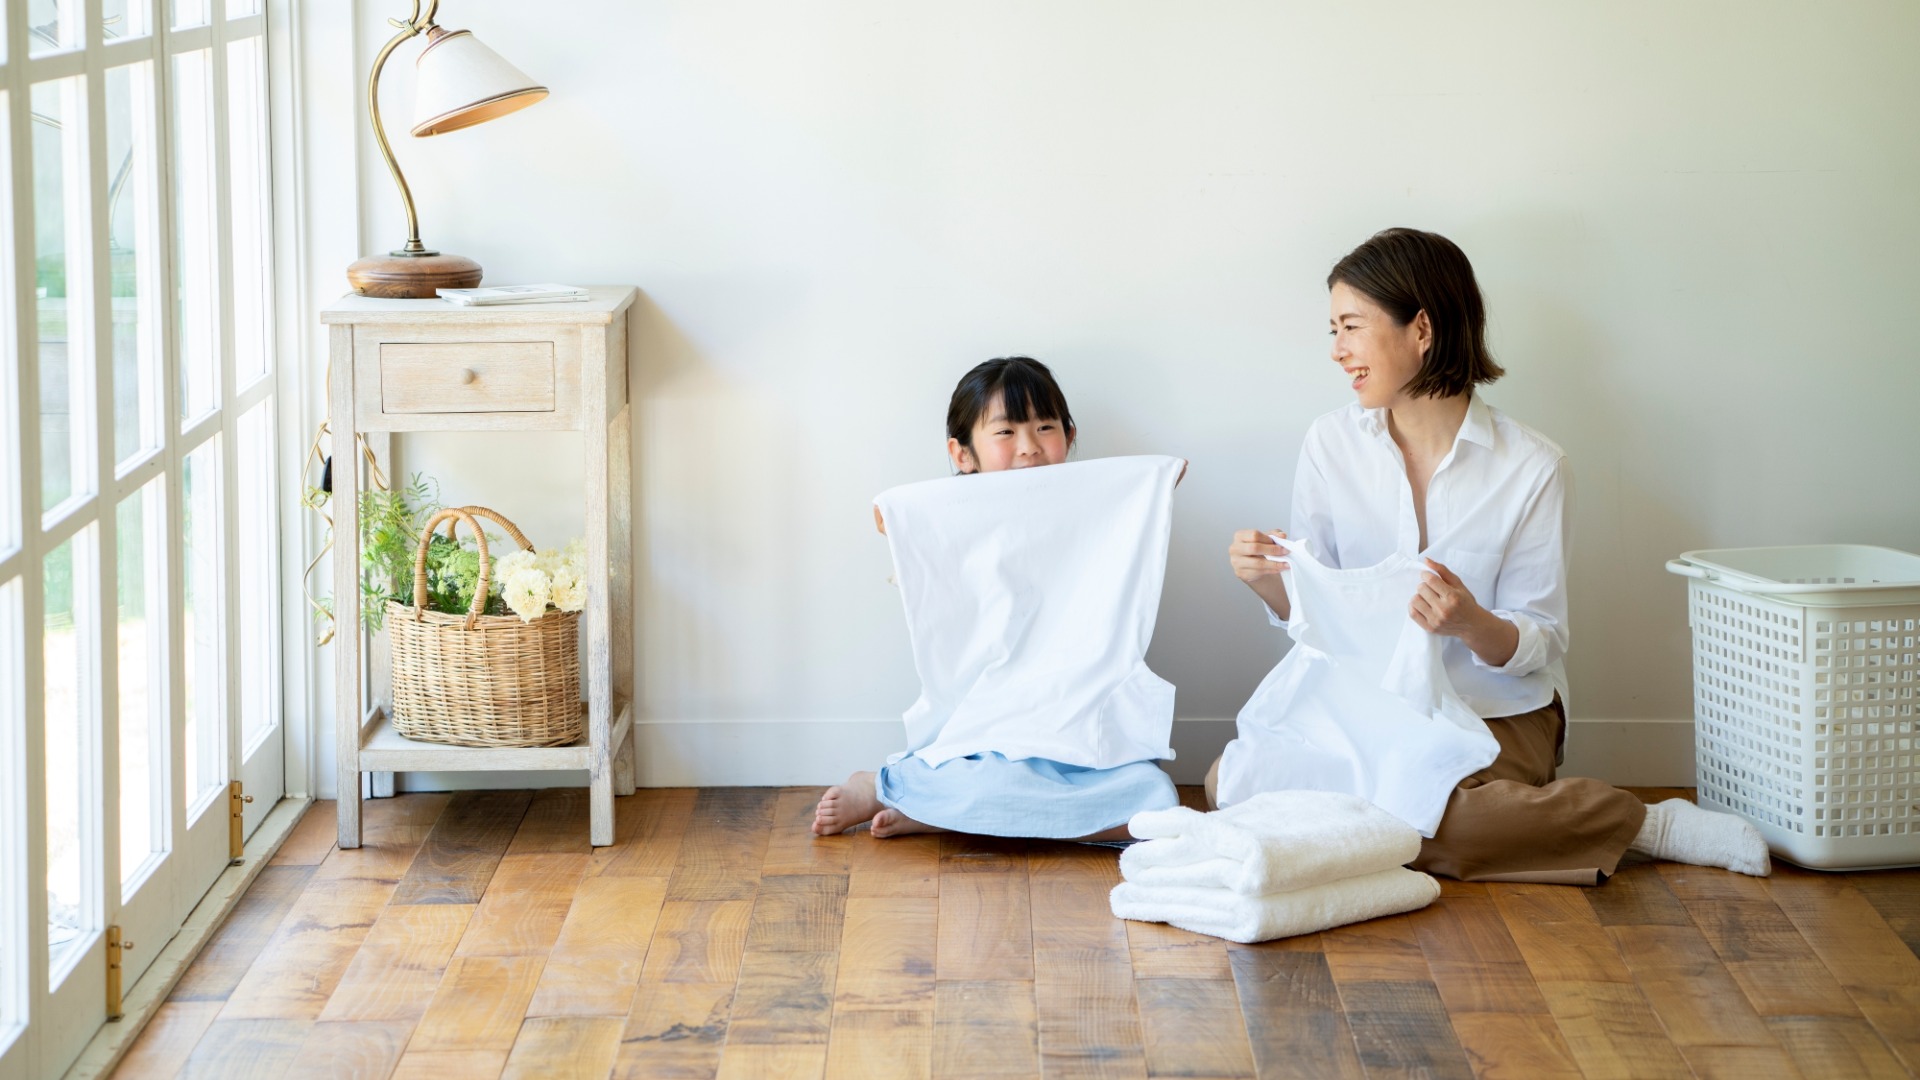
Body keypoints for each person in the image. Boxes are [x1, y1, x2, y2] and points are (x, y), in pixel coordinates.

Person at [1219, 228, 1768, 883]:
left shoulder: (1533, 465)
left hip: (1498, 710)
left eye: (1351, 328)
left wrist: (1468, 622)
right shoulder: (1330, 443)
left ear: (1420, 328)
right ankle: (1517, 825)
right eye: (1332, 331)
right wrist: (1268, 583)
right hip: (1372, 705)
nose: (1337, 351)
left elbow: (1541, 640)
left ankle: (1642, 824)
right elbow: (1322, 614)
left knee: (1438, 819)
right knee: (1233, 784)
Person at [812, 356, 1182, 841]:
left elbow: (1145, 487)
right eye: (1005, 433)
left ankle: (934, 806)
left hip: (1081, 725)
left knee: (1155, 799)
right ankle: (892, 787)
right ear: (963, 454)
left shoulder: (1101, 509)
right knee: (984, 780)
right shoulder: (950, 526)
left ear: (1069, 438)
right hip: (989, 735)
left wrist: (1152, 489)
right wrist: (903, 531)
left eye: (1045, 427)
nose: (1029, 448)